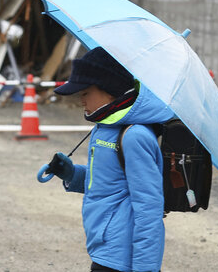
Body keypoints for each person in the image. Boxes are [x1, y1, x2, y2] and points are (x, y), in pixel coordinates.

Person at [41, 47, 174, 272]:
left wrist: (146, 268)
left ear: (109, 91)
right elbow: (108, 183)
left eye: (85, 92)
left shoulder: (134, 136)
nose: (80, 99)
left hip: (123, 257)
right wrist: (72, 175)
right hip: (105, 247)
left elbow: (149, 207)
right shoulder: (103, 128)